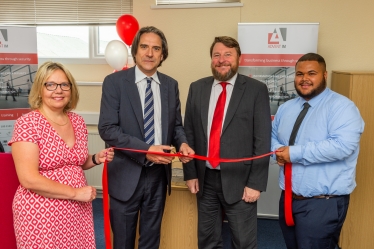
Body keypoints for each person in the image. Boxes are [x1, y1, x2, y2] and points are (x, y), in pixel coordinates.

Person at [98, 26, 194, 249]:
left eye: (156, 48)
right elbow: (108, 130)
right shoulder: (115, 83)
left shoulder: (171, 85)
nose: (149, 53)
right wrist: (147, 149)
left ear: (162, 55)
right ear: (135, 51)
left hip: (158, 176)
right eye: (144, 47)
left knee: (151, 241)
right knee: (123, 241)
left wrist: (183, 142)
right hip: (125, 174)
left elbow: (176, 126)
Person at [8, 61, 115, 249]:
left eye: (64, 85)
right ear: (40, 89)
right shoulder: (28, 123)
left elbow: (74, 163)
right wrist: (75, 193)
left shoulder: (77, 121)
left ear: (71, 89)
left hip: (77, 210)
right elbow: (28, 179)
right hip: (42, 212)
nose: (59, 90)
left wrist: (96, 158)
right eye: (51, 85)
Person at [183, 36, 272, 249]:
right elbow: (189, 133)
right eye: (216, 55)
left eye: (228, 54)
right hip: (205, 181)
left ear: (239, 58)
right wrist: (191, 173)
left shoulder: (255, 90)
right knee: (207, 241)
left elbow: (262, 139)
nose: (222, 60)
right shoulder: (197, 88)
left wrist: (255, 184)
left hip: (240, 182)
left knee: (243, 242)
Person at [271, 53, 365, 249]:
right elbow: (271, 136)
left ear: (324, 75)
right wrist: (277, 152)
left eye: (311, 73)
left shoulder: (342, 107)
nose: (304, 79)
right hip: (288, 197)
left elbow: (342, 146)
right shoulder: (286, 108)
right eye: (299, 74)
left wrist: (293, 153)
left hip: (322, 204)